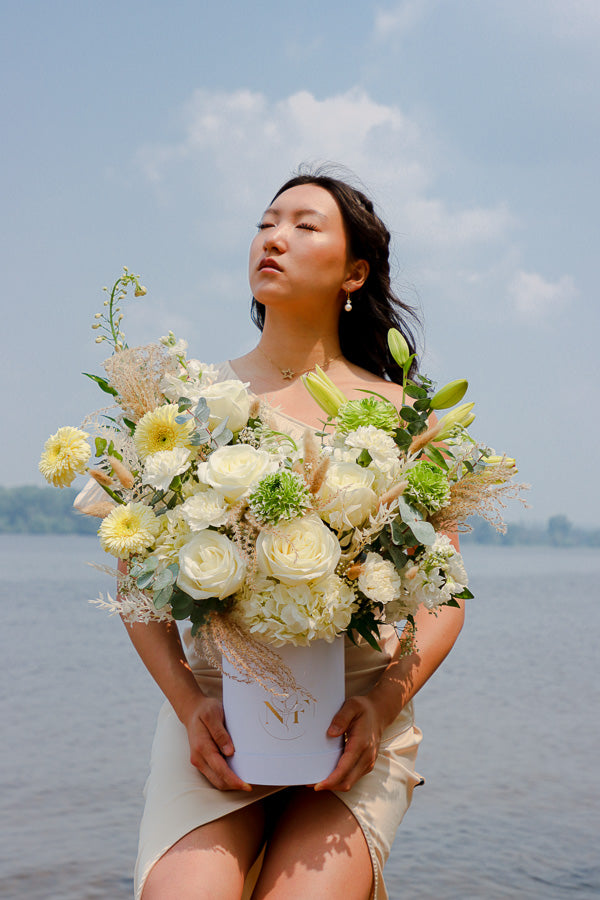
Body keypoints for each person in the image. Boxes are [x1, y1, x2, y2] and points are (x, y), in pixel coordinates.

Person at [128, 171, 465, 900]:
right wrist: (190, 707)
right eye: (265, 222)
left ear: (355, 272)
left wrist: (380, 709)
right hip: (217, 714)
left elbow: (445, 599)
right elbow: (135, 589)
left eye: (306, 225)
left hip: (357, 721)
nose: (274, 237)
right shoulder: (186, 405)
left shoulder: (407, 419)